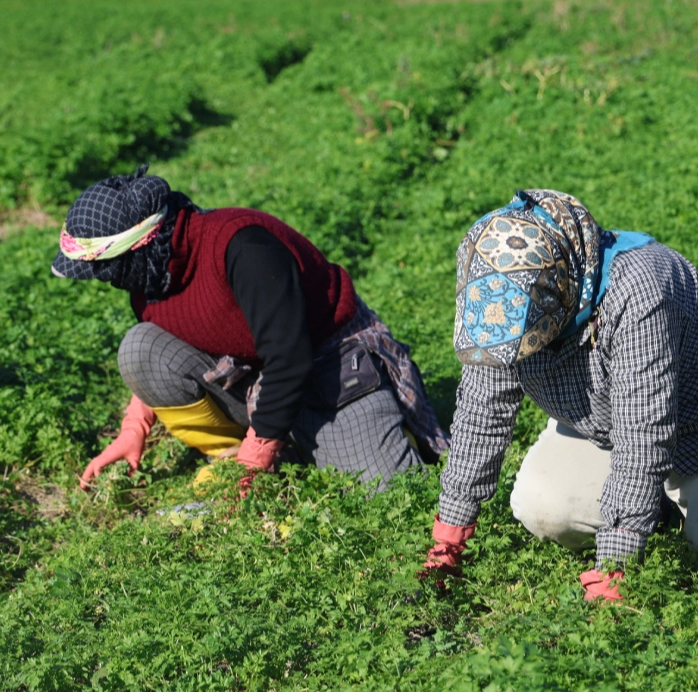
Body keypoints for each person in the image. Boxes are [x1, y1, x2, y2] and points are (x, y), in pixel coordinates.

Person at [51, 166, 448, 491]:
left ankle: (281, 446)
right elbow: (169, 338)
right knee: (140, 347)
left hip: (331, 368)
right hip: (258, 377)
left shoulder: (242, 249)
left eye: (105, 268)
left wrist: (257, 456)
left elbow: (290, 359)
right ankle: (249, 452)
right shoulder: (151, 277)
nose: (105, 279)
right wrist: (134, 426)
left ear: (140, 245)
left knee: (390, 493)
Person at [422, 189, 698, 601]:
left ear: (559, 297)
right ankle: (646, 509)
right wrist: (449, 540)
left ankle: (639, 515)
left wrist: (614, 569)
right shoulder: (497, 291)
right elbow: (482, 415)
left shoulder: (642, 290)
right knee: (542, 505)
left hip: (687, 428)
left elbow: (644, 433)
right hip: (602, 428)